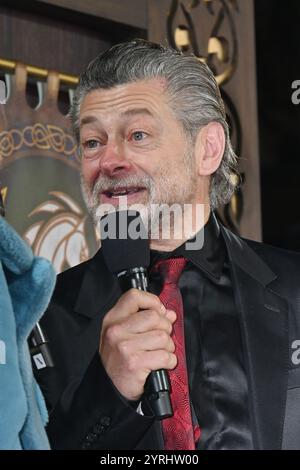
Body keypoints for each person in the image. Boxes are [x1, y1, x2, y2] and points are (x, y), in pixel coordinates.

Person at [35, 39, 300, 450]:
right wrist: (108, 391)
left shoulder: (295, 289)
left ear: (207, 149)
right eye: (92, 142)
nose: (110, 161)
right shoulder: (39, 317)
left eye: (138, 134)